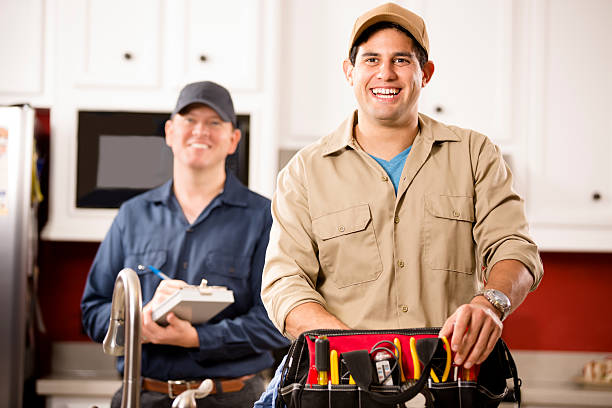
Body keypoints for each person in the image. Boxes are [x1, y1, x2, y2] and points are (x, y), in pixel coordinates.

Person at [257, 3, 543, 405]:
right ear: (349, 72)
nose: (385, 73)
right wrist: (347, 348)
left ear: (425, 73)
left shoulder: (475, 154)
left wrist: (491, 302)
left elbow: (514, 247)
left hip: (453, 381)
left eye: (401, 60)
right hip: (341, 384)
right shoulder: (304, 172)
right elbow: (284, 282)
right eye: (371, 59)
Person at [81, 81, 289, 408]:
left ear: (233, 139)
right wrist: (140, 319)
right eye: (189, 120)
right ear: (169, 132)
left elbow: (278, 322)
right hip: (142, 396)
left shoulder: (265, 217)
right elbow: (92, 311)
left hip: (233, 399)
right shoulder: (132, 216)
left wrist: (197, 338)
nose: (200, 131)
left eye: (214, 122)